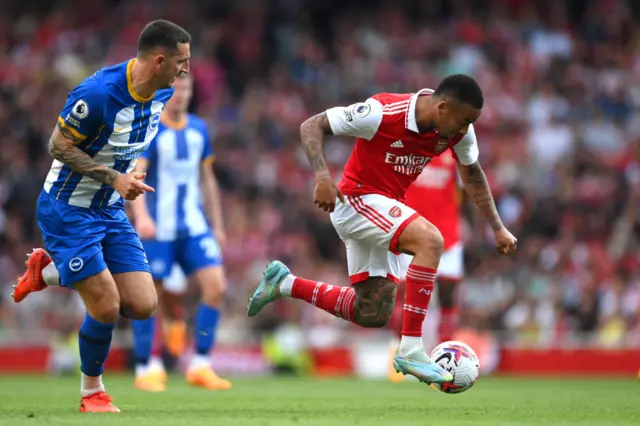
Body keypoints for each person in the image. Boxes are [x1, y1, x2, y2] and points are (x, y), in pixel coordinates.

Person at [247, 75, 517, 385]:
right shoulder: (384, 112)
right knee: (431, 241)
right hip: (356, 199)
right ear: (442, 108)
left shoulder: (457, 133)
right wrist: (322, 177)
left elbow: (473, 175)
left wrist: (498, 227)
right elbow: (312, 124)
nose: (465, 129)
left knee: (372, 312)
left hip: (383, 209)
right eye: (464, 120)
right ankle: (412, 350)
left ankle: (285, 284)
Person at [11, 20, 191, 412]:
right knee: (106, 305)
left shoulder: (163, 92)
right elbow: (56, 145)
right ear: (159, 60)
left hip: (109, 209)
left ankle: (47, 271)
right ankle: (91, 392)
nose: (185, 70)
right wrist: (113, 176)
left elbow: (131, 140)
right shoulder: (97, 94)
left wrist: (129, 175)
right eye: (181, 62)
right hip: (68, 209)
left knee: (143, 304)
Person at [129, 73, 230, 392]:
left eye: (186, 88)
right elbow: (137, 174)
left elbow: (207, 179)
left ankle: (200, 364)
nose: (181, 94)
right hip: (159, 227)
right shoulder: (152, 128)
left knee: (216, 287)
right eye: (175, 89)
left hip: (194, 225)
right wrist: (141, 216)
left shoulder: (199, 129)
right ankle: (148, 365)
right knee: (149, 298)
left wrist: (218, 225)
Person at [389, 150, 465, 382]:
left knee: (448, 296)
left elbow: (464, 191)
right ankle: (403, 352)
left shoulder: (455, 153)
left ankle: (444, 356)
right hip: (410, 233)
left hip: (448, 234)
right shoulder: (408, 149)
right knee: (404, 295)